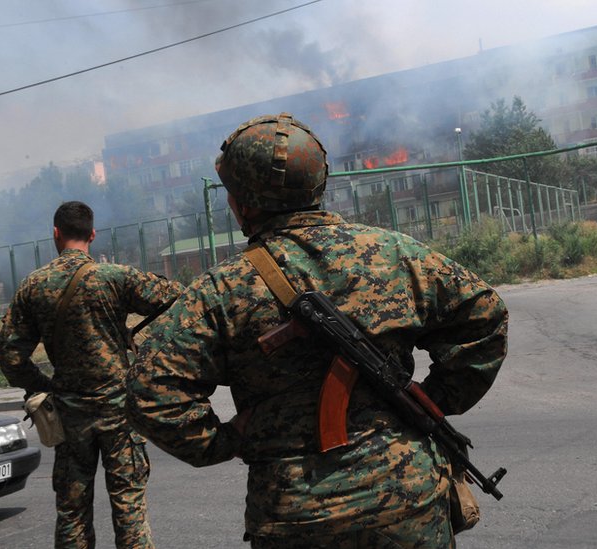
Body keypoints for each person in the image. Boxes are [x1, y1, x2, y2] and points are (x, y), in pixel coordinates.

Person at [125, 113, 509, 548]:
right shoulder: (395, 254)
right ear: (319, 184)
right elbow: (485, 314)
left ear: (240, 203)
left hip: (296, 515)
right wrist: (437, 398)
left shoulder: (221, 289)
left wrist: (225, 440)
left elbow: (149, 390)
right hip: (406, 503)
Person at [0, 201, 183, 548]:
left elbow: (10, 357)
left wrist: (45, 387)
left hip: (69, 416)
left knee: (72, 513)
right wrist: (150, 354)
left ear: (56, 233)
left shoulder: (34, 286)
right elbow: (178, 299)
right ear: (93, 234)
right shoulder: (115, 277)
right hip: (120, 412)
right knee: (129, 509)